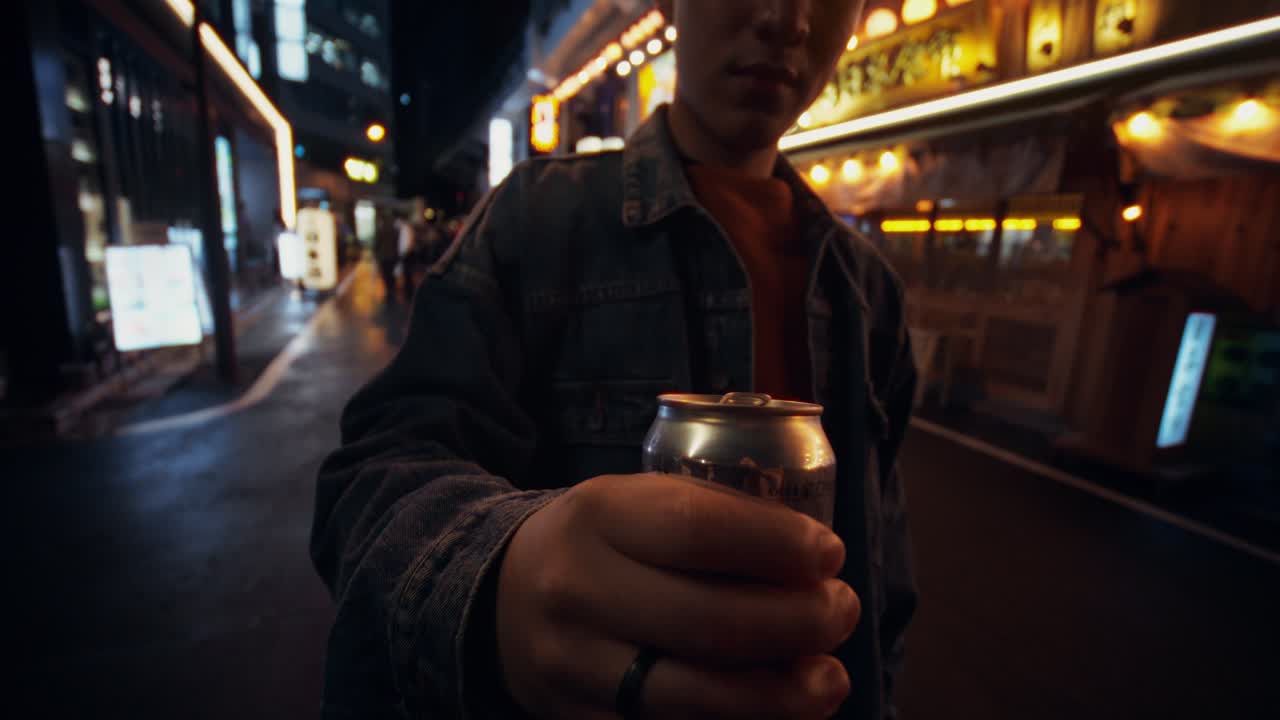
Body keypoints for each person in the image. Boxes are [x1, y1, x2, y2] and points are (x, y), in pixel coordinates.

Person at [311, 1, 918, 719]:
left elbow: (884, 587)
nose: (786, 19)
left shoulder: (869, 292)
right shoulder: (533, 223)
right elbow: (371, 475)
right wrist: (498, 577)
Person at [373, 210, 400, 302]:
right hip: (392, 256)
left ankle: (388, 290)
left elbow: (377, 244)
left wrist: (376, 254)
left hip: (383, 256)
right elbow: (397, 244)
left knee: (385, 273)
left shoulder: (380, 231)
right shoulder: (395, 231)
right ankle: (392, 289)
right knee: (391, 273)